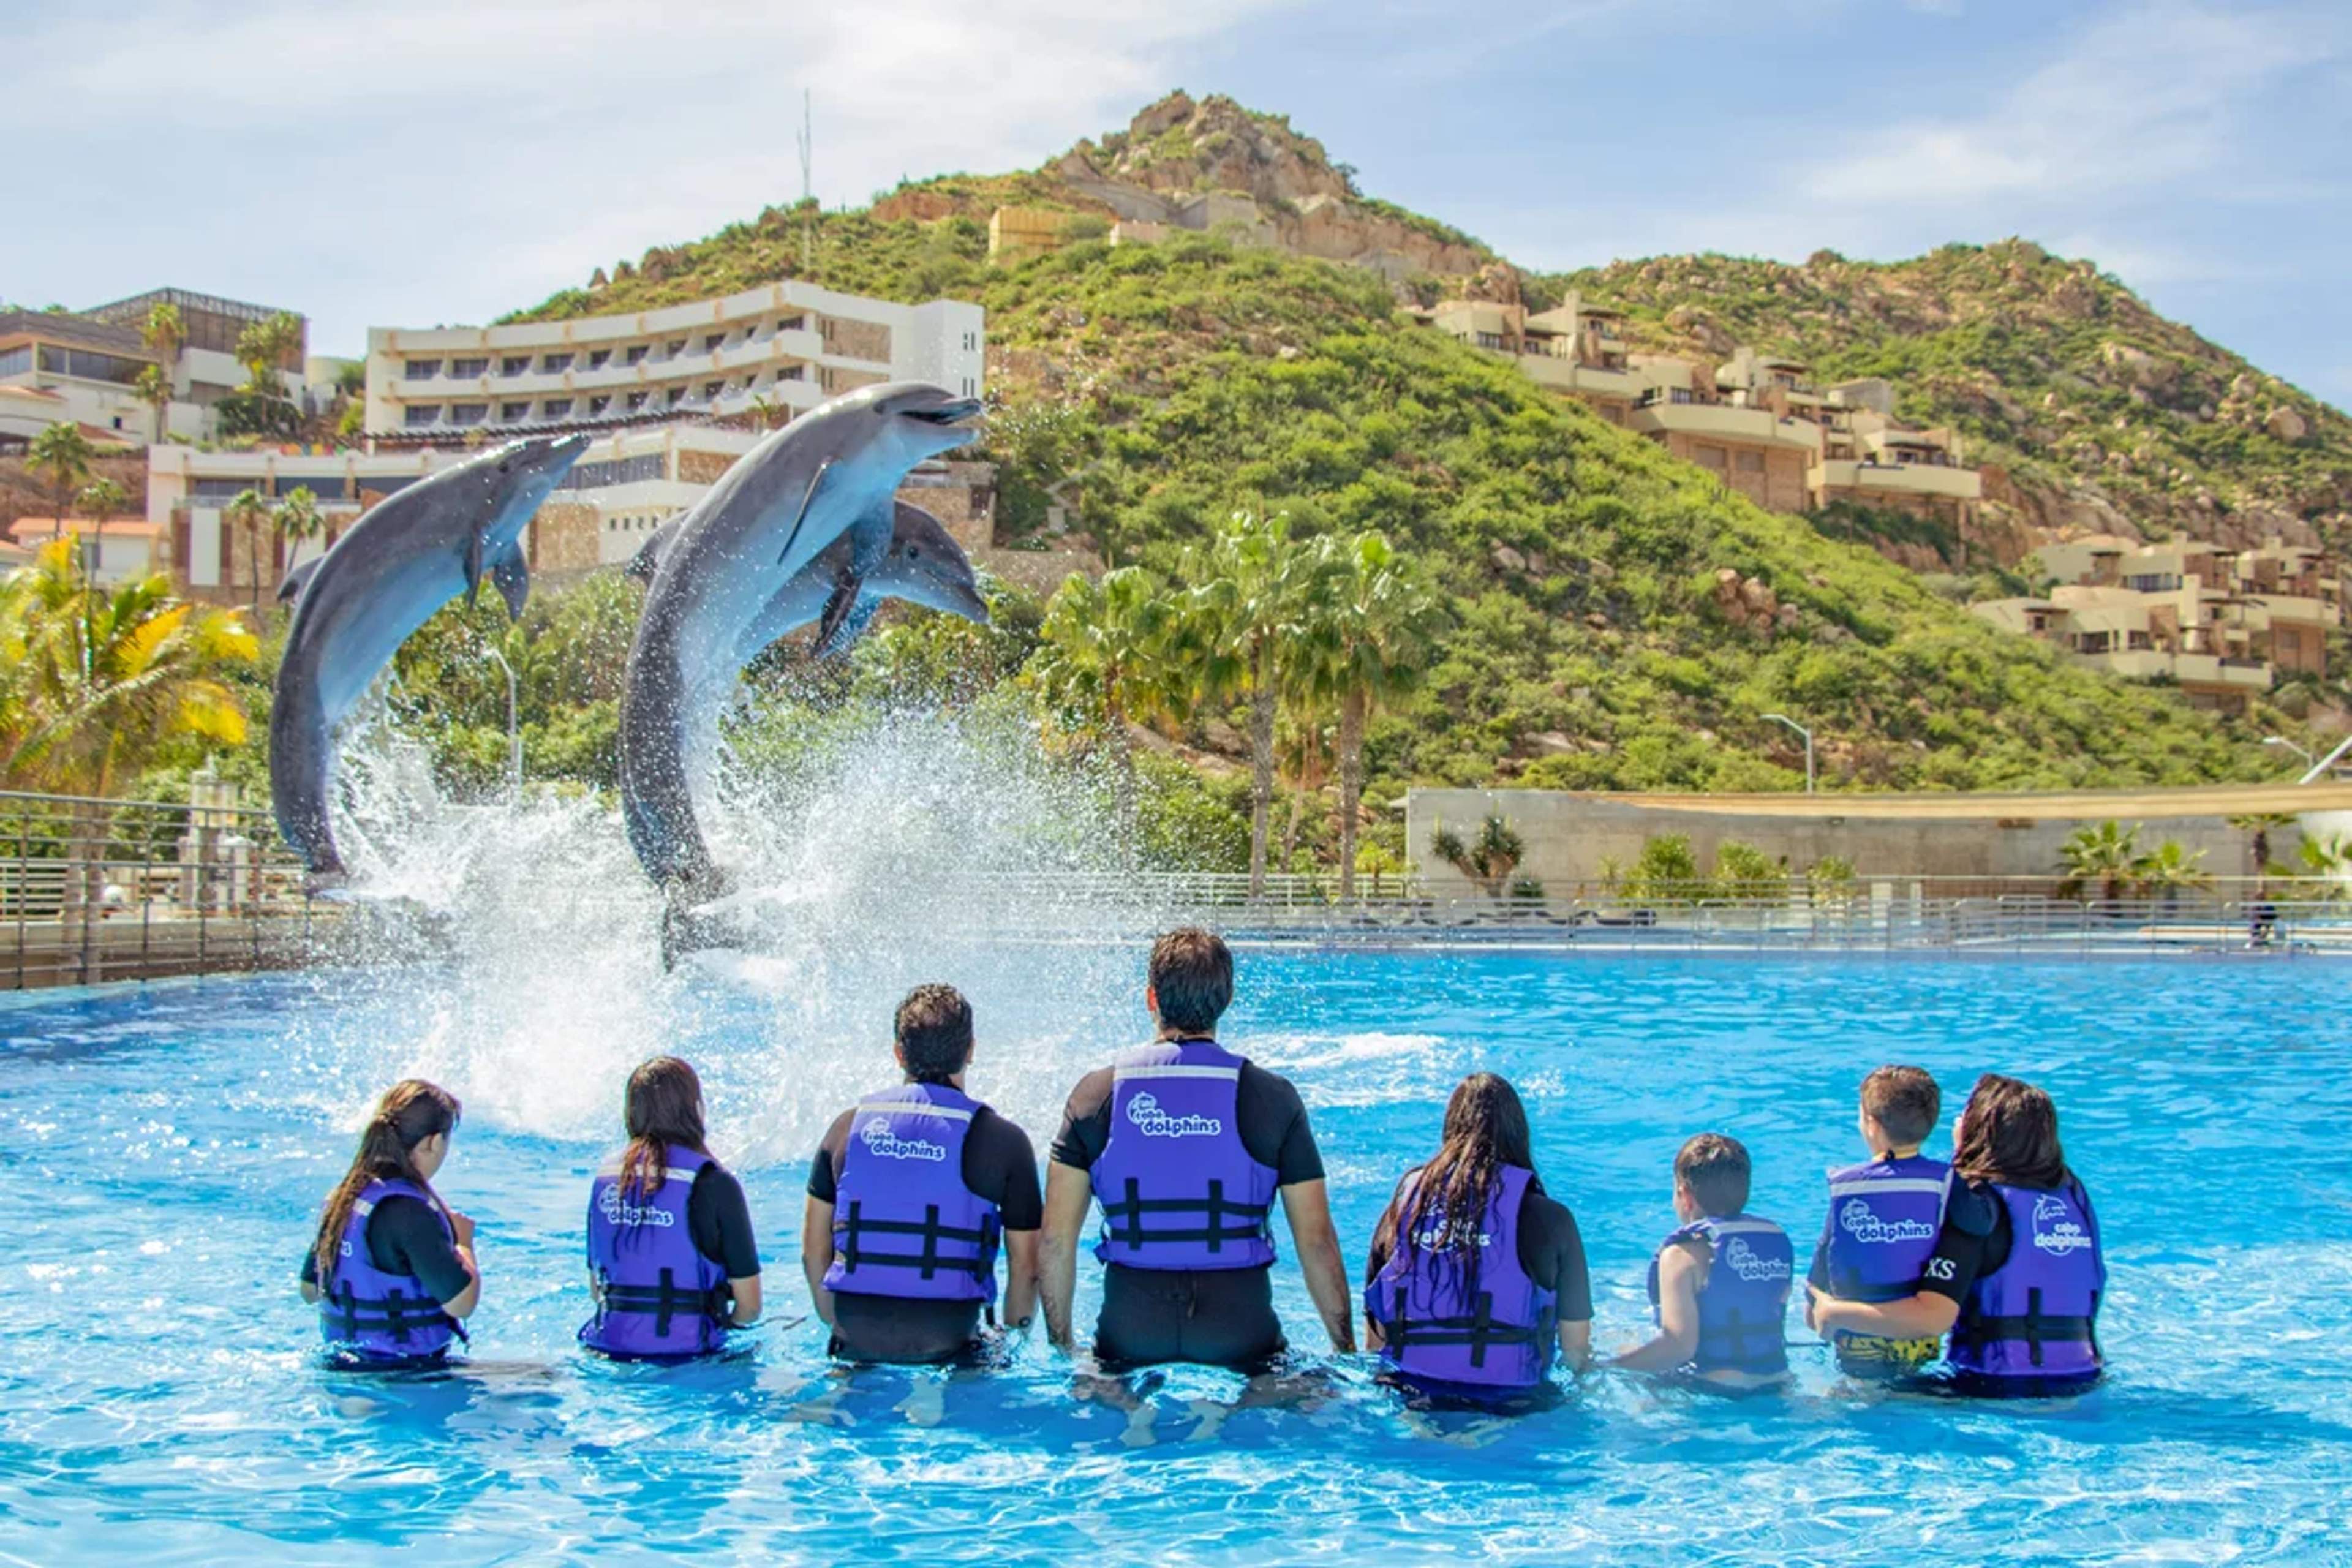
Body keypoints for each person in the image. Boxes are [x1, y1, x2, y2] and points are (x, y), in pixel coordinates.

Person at [1040, 927, 1354, 1370]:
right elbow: (1317, 1241)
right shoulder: (1272, 1097)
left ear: (1152, 999)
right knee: (1279, 1390)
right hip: (1242, 1331)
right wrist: (1346, 1352)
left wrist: (1063, 1349)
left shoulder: (1096, 1096)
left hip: (1130, 1330)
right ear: (1226, 999)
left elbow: (1056, 1240)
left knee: (1109, 1386)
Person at [1808, 1073, 2104, 1397]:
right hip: (2087, 1377)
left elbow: (1932, 1316)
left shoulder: (1979, 1206)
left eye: (1967, 1116)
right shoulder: (2074, 1196)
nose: (1958, 1121)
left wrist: (1832, 1312)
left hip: (1999, 1382)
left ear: (1981, 1131)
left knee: (1846, 1397)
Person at [804, 984, 1042, 1363]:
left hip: (856, 1333)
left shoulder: (845, 1129)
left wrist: (835, 1322)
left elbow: (813, 1251)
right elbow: (1027, 1267)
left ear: (899, 1054)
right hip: (953, 1337)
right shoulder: (1003, 1140)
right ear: (970, 1051)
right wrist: (1012, 1337)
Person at [1362, 1072, 1592, 1403]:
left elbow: (1376, 1341)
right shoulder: (1551, 1219)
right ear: (1518, 1134)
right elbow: (1576, 1352)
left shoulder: (1401, 1212)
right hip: (1512, 1404)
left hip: (1410, 1397)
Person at [580, 1056, 763, 1359]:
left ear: (631, 1113)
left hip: (607, 1349)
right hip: (690, 1357)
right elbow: (751, 1307)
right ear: (695, 1110)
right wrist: (724, 1323)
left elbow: (596, 1291)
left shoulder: (607, 1179)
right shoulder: (715, 1182)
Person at [300, 1079, 479, 1366]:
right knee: (543, 1378)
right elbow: (461, 1304)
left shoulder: (345, 1199)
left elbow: (309, 1291)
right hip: (407, 1371)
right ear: (433, 1142)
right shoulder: (408, 1211)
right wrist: (464, 1243)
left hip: (342, 1367)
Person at [1612, 1133, 1793, 1390]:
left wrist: (1611, 1366)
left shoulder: (1682, 1256)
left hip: (1711, 1392)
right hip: (1778, 1384)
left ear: (1684, 1196)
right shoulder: (1776, 1242)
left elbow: (1678, 1347)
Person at [1807, 1065, 1950, 1378]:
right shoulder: (1948, 1183)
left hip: (1858, 1342)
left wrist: (1815, 1309)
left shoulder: (1851, 1189)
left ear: (1870, 1124)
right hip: (1921, 1339)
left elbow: (1824, 1260)